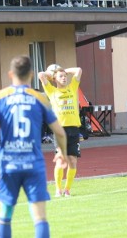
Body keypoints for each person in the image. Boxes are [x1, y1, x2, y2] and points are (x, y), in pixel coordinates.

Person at [0, 55, 67, 238]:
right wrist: (61, 152)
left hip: (8, 164)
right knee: (40, 218)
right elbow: (60, 132)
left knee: (5, 215)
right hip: (33, 165)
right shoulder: (40, 98)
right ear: (31, 74)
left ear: (10, 74)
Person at [38, 64, 83, 197]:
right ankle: (58, 189)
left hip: (74, 129)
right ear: (55, 79)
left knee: (73, 161)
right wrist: (52, 74)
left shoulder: (72, 87)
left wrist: (64, 70)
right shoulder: (52, 91)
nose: (64, 78)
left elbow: (79, 70)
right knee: (60, 160)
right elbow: (41, 75)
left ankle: (67, 189)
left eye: (65, 76)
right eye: (61, 76)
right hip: (60, 130)